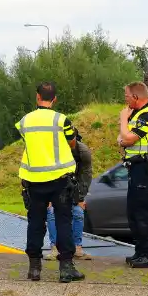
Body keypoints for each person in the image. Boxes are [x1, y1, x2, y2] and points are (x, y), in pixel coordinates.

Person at [16, 81, 85, 283]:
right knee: (64, 221)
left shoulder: (24, 121)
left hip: (33, 179)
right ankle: (66, 268)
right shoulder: (62, 120)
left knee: (36, 223)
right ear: (54, 99)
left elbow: (27, 141)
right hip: (59, 179)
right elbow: (72, 143)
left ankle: (34, 268)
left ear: (37, 97)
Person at [117, 81, 148, 268]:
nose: (125, 101)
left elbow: (127, 138)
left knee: (144, 213)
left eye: (127, 97)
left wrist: (123, 120)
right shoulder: (138, 114)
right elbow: (121, 139)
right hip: (137, 168)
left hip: (147, 168)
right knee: (134, 212)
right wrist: (125, 134)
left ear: (136, 97)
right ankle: (141, 252)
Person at [45, 136, 93, 261]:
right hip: (55, 187)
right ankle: (55, 248)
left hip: (73, 187)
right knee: (51, 212)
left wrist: (80, 198)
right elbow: (46, 174)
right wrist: (48, 198)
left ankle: (77, 248)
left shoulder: (83, 152)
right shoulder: (52, 151)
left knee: (78, 212)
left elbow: (86, 176)